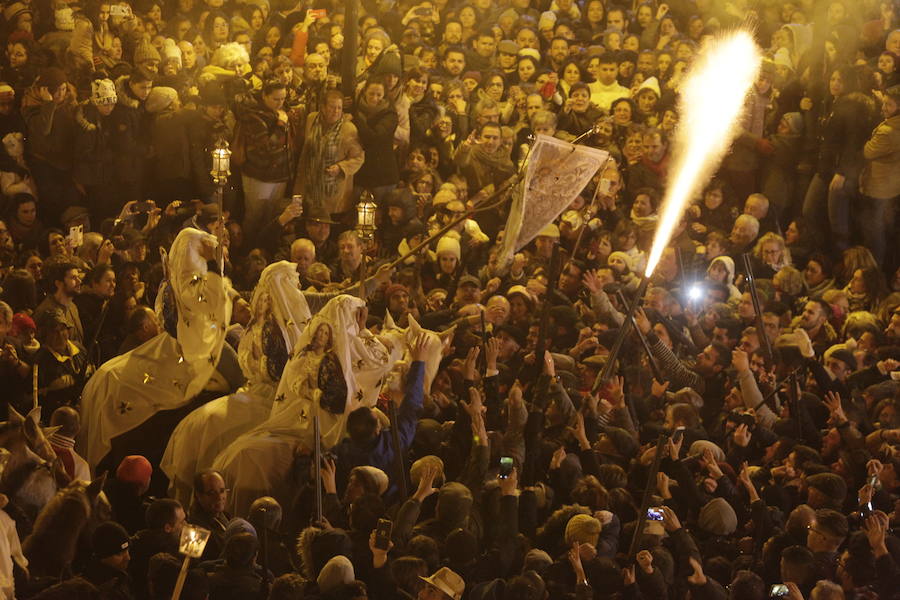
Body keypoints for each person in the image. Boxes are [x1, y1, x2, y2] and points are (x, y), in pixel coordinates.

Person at [294, 89, 364, 221]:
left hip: (333, 191)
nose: (336, 111)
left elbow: (358, 157)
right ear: (323, 107)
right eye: (332, 107)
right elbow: (304, 150)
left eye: (339, 108)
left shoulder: (348, 128)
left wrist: (341, 167)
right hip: (309, 186)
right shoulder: (311, 119)